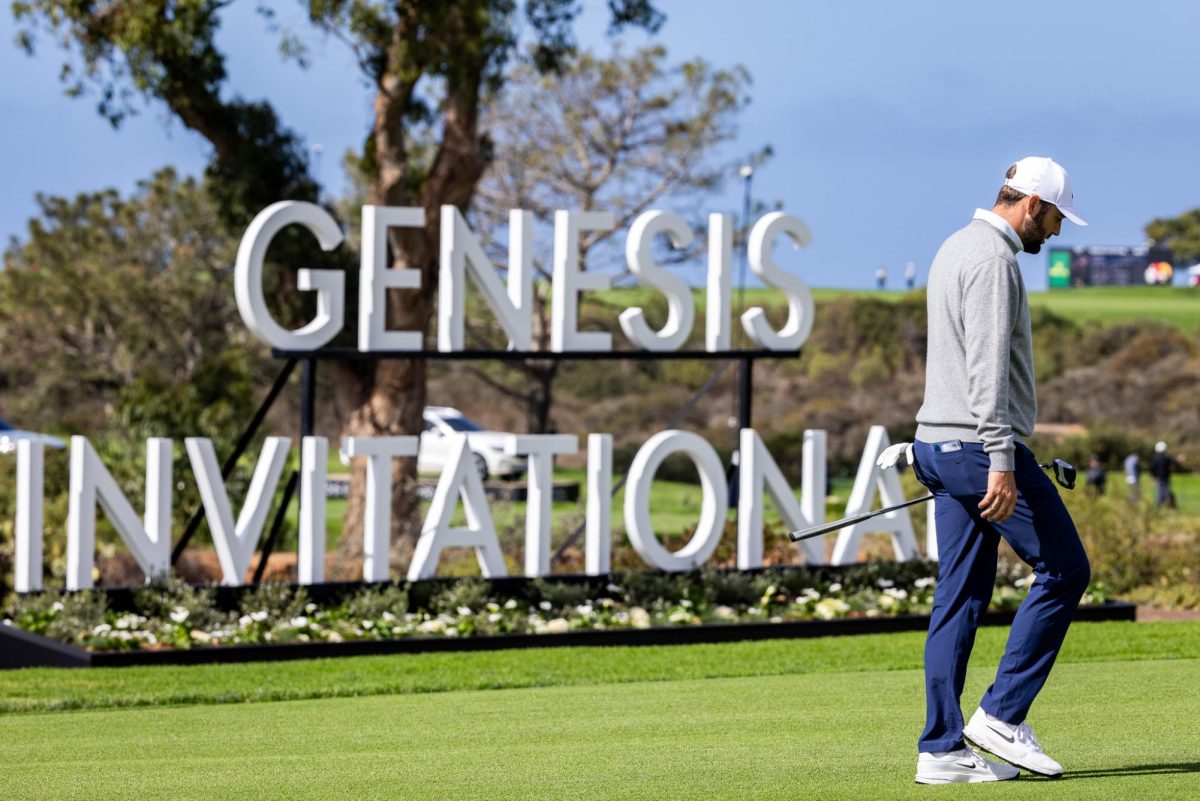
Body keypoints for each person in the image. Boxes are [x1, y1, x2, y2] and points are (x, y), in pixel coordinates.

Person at [910, 157, 1091, 784]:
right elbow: (986, 371)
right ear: (1032, 205)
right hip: (978, 448)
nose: (1058, 232)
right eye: (1057, 218)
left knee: (958, 599)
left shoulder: (956, 244)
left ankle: (940, 749)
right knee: (1066, 569)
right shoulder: (994, 260)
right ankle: (1001, 716)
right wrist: (1002, 460)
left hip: (938, 444)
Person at [1150, 441, 1181, 508]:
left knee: (1159, 493)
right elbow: (1175, 463)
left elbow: (1152, 469)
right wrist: (1178, 460)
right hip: (1166, 478)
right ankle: (1167, 505)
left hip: (1158, 478)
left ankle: (1159, 506)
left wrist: (1153, 478)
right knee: (1166, 492)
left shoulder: (1155, 458)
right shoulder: (1167, 458)